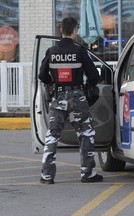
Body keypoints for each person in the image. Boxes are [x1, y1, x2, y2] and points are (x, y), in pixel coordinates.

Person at [38, 17, 103, 184]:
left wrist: (53, 84)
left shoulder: (51, 51)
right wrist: (89, 87)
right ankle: (87, 174)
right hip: (77, 98)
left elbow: (42, 75)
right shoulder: (79, 50)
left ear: (61, 31)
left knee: (52, 135)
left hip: (57, 97)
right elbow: (94, 75)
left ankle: (47, 175)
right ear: (74, 31)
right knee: (85, 134)